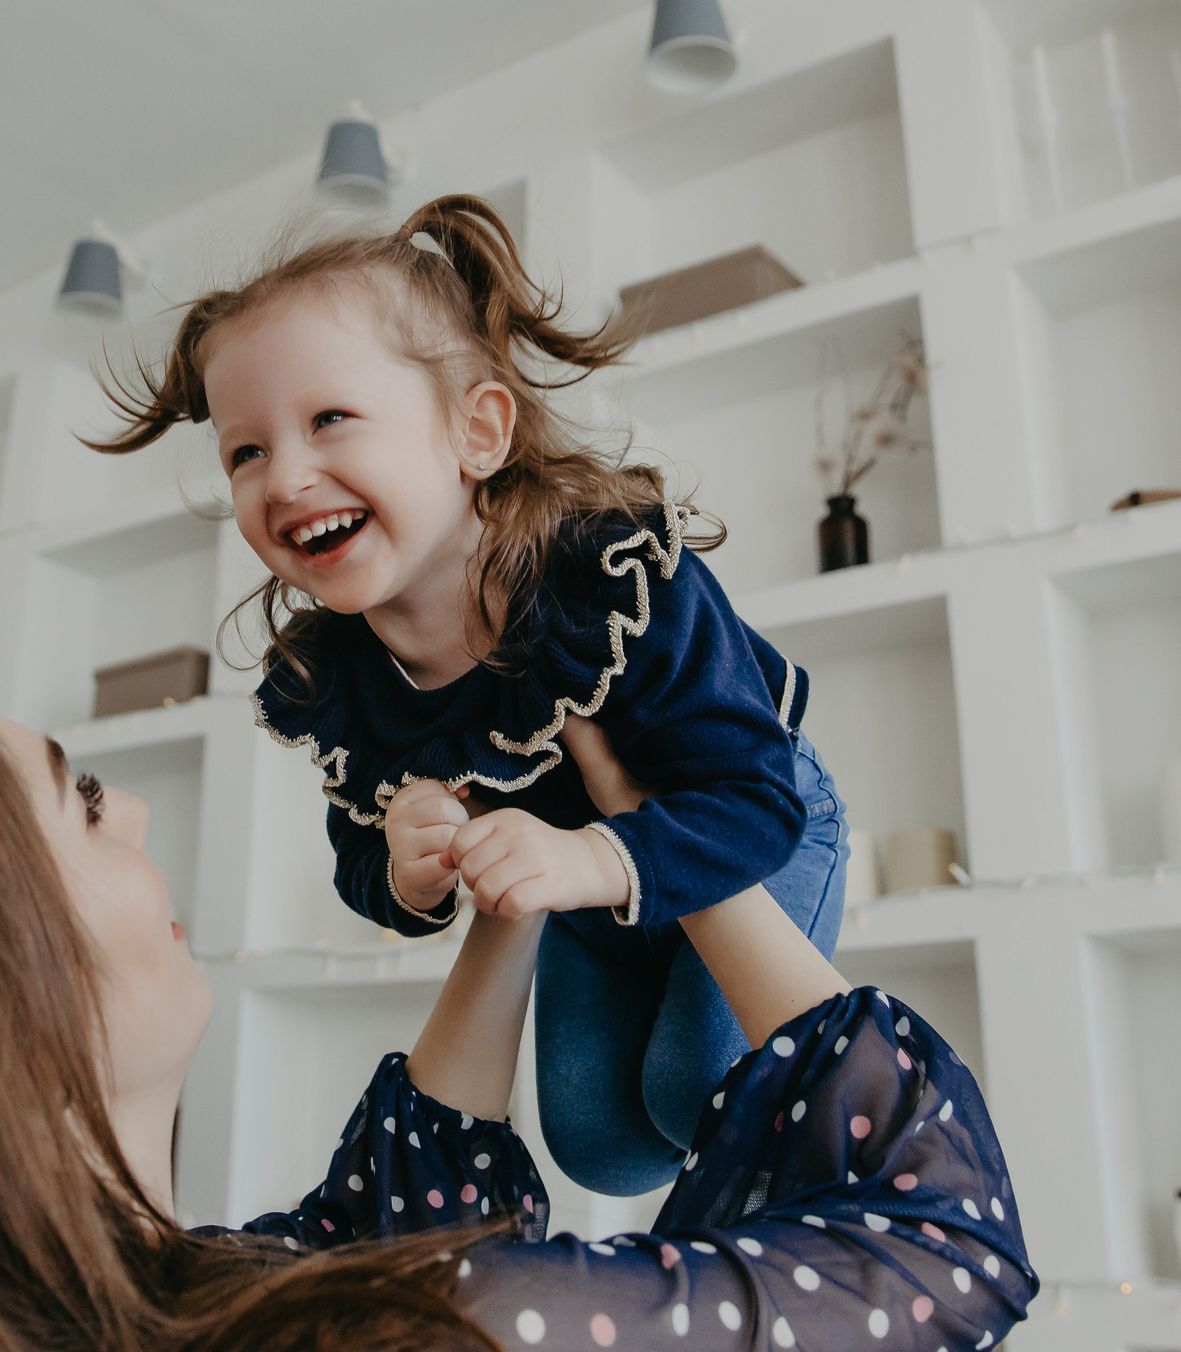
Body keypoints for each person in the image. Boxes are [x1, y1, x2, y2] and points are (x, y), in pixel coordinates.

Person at [0, 664, 1033, 1351]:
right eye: (83, 796)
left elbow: (390, 1214)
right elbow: (932, 1239)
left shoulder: (160, 1301)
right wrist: (666, 820)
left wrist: (521, 871)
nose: (132, 824)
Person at [87, 195, 850, 1194]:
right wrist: (406, 871)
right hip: (577, 892)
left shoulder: (610, 579)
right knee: (600, 1151)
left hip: (743, 823)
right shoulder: (337, 677)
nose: (284, 477)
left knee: (693, 1088)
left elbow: (753, 801)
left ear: (476, 430)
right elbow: (358, 864)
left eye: (329, 420)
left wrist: (589, 854)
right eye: (247, 450)